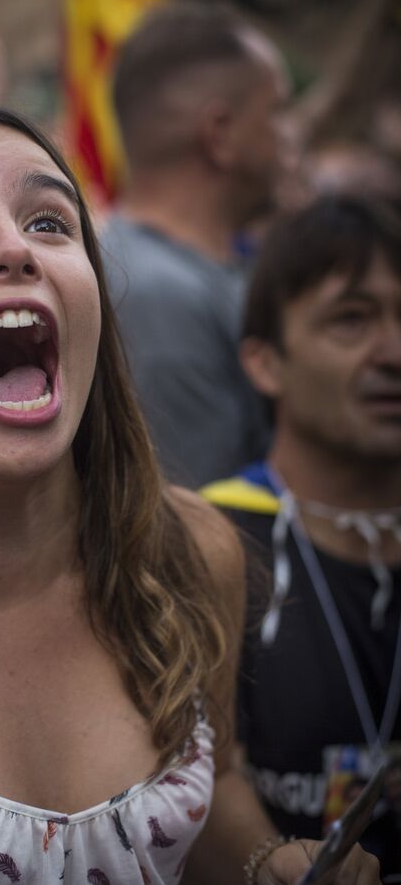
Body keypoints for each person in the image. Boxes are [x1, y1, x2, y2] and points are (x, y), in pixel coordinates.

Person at [0, 103, 378, 885]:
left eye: (49, 222)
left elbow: (213, 791)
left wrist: (260, 860)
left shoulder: (189, 552)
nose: (13, 249)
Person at [203, 194, 401, 880]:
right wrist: (267, 863)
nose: (393, 352)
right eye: (352, 320)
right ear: (265, 363)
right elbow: (193, 777)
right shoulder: (206, 541)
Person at [101, 0, 288, 487]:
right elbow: (198, 530)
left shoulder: (177, 269)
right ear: (220, 133)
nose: (290, 137)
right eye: (276, 112)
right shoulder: (159, 295)